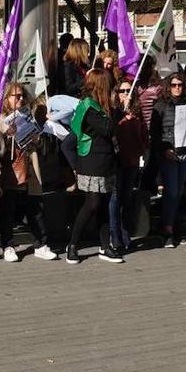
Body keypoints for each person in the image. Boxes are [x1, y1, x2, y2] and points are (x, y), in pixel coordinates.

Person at [0, 82, 57, 261]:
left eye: (21, 96)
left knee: (35, 207)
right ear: (6, 99)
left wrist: (36, 138)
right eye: (15, 96)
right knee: (8, 209)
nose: (19, 99)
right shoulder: (0, 120)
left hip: (28, 167)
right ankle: (8, 245)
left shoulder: (27, 116)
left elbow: (38, 145)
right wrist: (3, 134)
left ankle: (41, 244)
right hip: (10, 169)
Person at [68, 68, 121, 263]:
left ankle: (105, 246)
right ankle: (73, 244)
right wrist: (119, 108)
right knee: (92, 203)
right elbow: (107, 129)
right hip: (92, 162)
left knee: (104, 204)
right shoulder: (89, 107)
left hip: (107, 161)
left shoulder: (102, 106)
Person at [150, 72, 186, 248]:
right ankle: (167, 229)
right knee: (171, 192)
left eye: (180, 85)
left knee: (179, 192)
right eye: (173, 85)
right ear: (168, 86)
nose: (177, 88)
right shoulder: (161, 105)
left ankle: (174, 227)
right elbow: (154, 134)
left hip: (185, 152)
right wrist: (164, 149)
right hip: (169, 154)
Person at [111, 77, 147, 250]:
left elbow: (143, 134)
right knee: (115, 199)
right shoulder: (113, 112)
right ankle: (114, 236)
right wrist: (121, 114)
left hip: (132, 160)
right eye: (123, 91)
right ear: (116, 94)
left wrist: (144, 151)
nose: (126, 94)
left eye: (129, 91)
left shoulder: (137, 112)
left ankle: (126, 236)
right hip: (117, 160)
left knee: (127, 198)